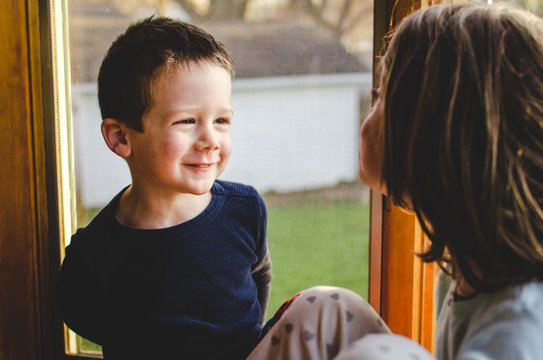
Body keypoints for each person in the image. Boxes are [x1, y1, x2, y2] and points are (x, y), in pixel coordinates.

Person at [248, 3, 543, 359]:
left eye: (381, 98)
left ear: (430, 136)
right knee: (329, 308)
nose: (368, 116)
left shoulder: (522, 324)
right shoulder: (467, 267)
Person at [57, 17, 271, 360]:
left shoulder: (245, 209)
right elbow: (78, 312)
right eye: (186, 121)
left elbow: (258, 278)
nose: (210, 141)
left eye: (221, 121)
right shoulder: (95, 252)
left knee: (323, 303)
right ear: (121, 137)